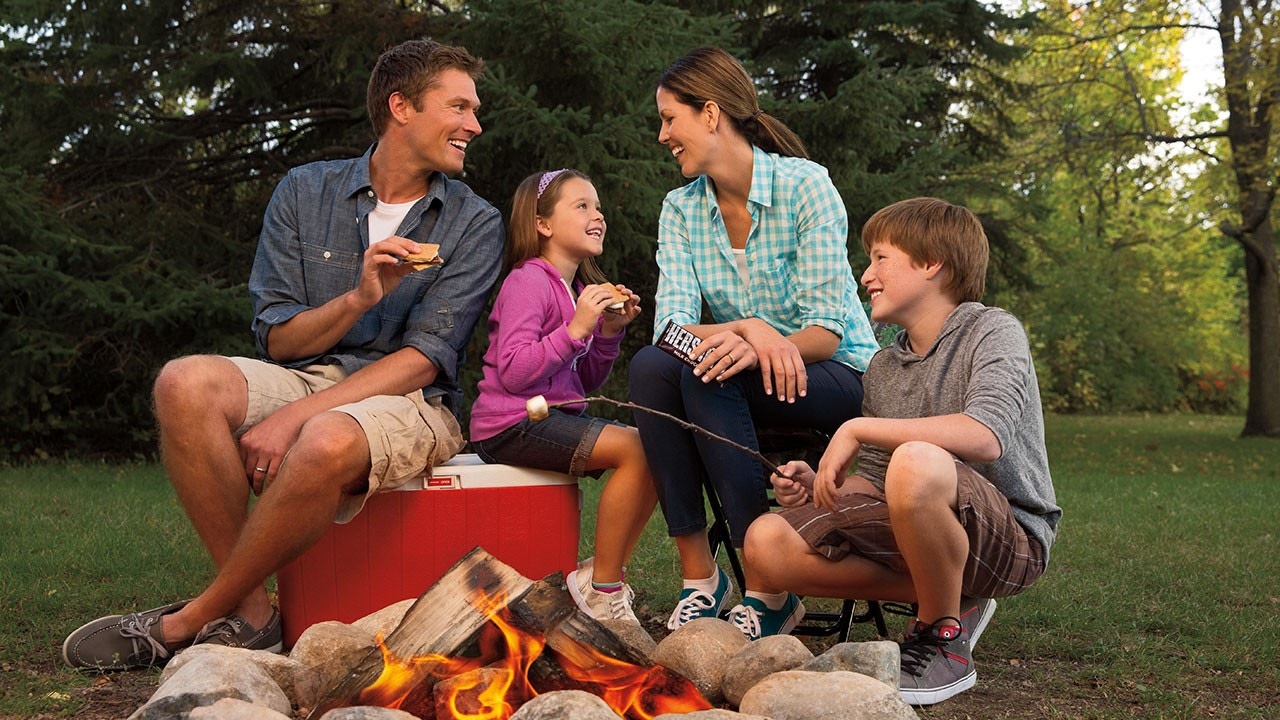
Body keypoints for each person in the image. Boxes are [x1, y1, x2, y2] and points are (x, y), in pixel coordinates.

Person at [62, 39, 505, 671]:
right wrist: (357, 298)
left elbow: (424, 360)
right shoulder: (305, 191)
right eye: (459, 107)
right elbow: (278, 339)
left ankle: (186, 620)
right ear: (401, 106)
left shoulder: (474, 222)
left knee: (322, 438)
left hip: (412, 400)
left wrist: (294, 418)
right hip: (308, 375)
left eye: (474, 109)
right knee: (183, 383)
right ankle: (251, 616)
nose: (474, 124)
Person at [725, 197, 1062, 706]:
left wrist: (859, 428)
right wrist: (823, 480)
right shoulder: (884, 366)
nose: (866, 276)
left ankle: (942, 635)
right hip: (923, 523)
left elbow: (985, 435)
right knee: (765, 542)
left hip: (1009, 537)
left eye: (880, 258)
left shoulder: (992, 330)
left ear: (931, 264)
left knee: (915, 459)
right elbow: (883, 487)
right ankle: (952, 595)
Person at [627, 47, 880, 631]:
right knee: (650, 367)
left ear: (711, 113)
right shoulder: (681, 208)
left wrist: (766, 344)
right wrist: (748, 330)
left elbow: (825, 328)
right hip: (747, 373)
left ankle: (768, 586)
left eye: (670, 118)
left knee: (709, 371)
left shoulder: (805, 186)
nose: (663, 134)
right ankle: (702, 577)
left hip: (836, 373)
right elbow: (670, 327)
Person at [469, 169, 656, 624]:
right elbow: (514, 372)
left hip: (546, 417)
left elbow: (580, 382)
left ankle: (602, 576)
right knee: (638, 448)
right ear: (543, 224)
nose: (599, 215)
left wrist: (607, 331)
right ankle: (603, 589)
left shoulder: (573, 290)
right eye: (582, 206)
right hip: (509, 423)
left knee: (656, 448)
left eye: (598, 207)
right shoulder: (528, 281)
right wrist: (575, 329)